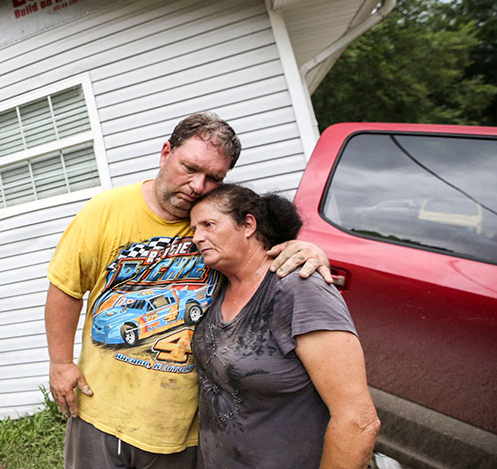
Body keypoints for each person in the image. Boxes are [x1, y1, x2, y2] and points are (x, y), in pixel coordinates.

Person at [45, 112, 333, 469]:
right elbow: (66, 287)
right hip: (104, 409)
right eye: (190, 168)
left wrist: (306, 248)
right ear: (166, 153)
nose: (198, 186)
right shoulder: (106, 211)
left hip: (188, 422)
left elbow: (264, 244)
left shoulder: (220, 224)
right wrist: (60, 362)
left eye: (214, 177)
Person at [190, 184, 379, 468]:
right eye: (193, 229)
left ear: (248, 225)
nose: (197, 238)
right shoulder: (215, 287)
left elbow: (357, 421)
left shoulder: (298, 288)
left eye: (208, 225)